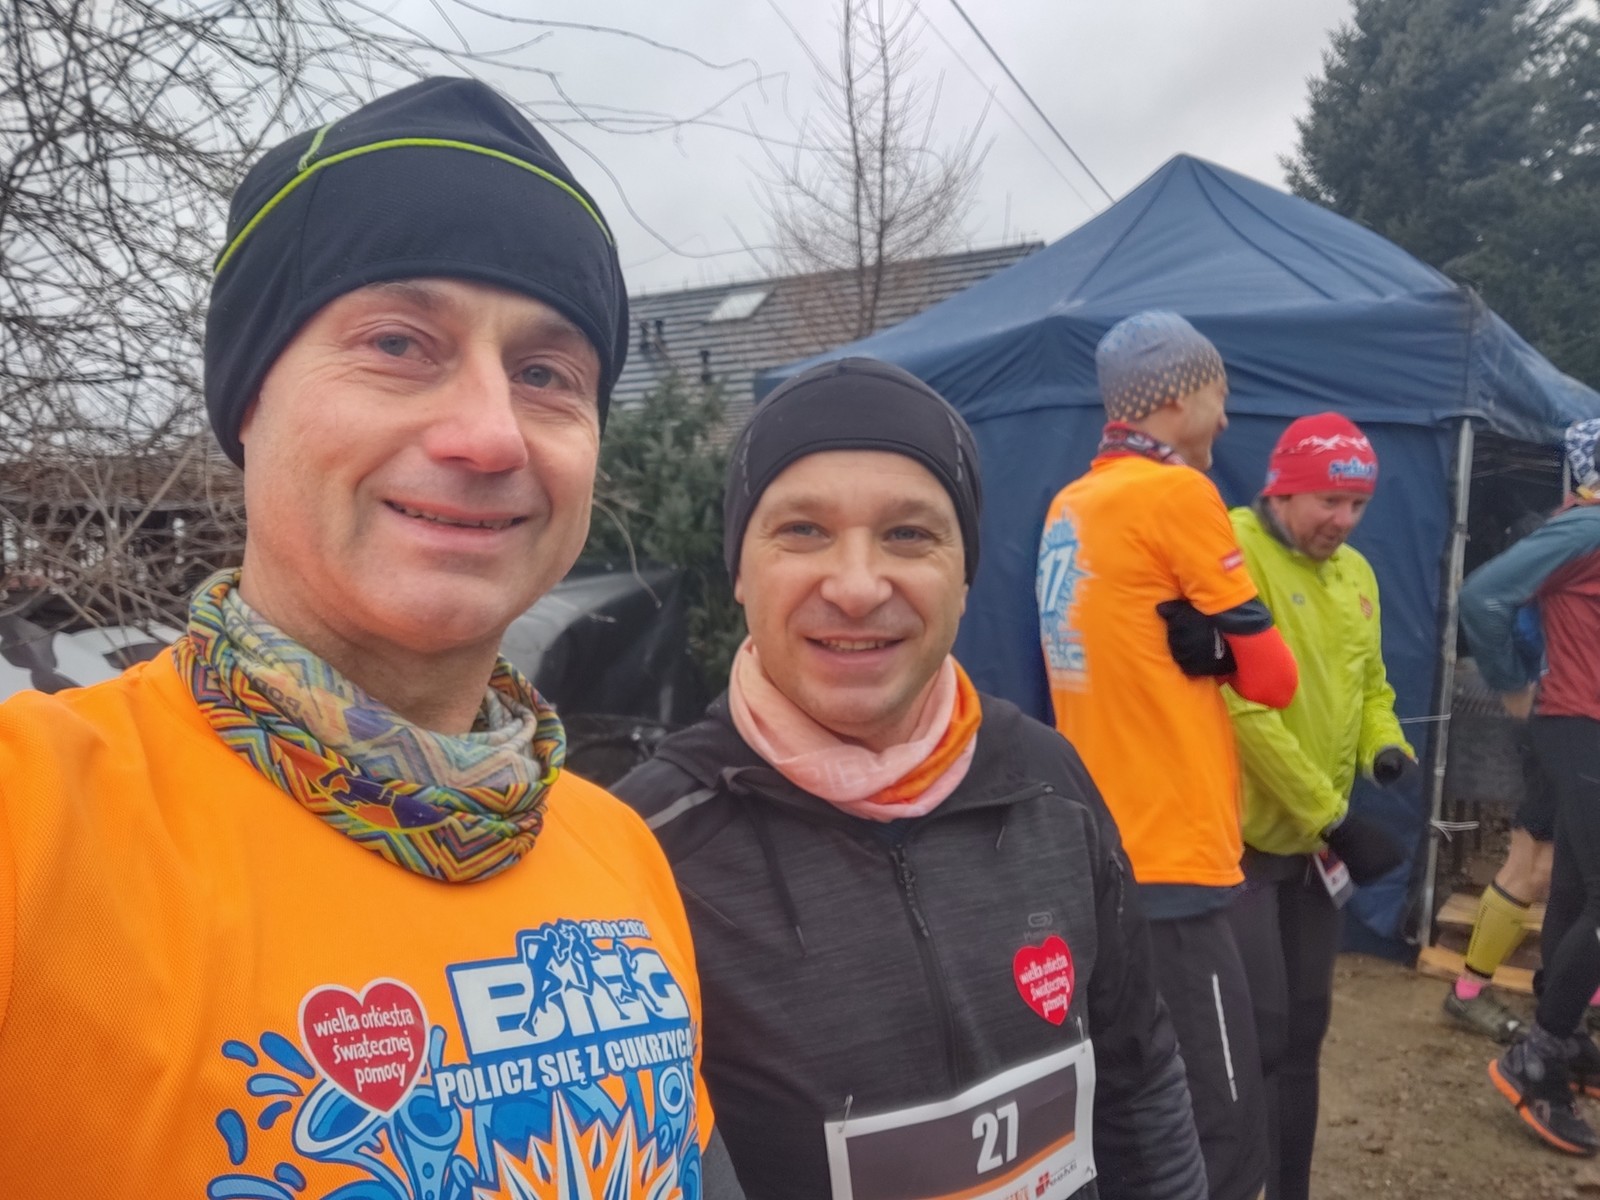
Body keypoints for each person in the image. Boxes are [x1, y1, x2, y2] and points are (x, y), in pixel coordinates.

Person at [0, 78, 740, 1195]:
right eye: (398, 343)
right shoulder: (36, 828)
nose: (491, 434)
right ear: (248, 399)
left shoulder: (617, 851)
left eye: (546, 376)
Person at [616, 358, 1208, 1200]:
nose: (858, 587)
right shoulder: (645, 849)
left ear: (964, 576)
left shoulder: (1050, 783)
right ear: (739, 571)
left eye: (909, 535)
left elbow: (1137, 1077)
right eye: (803, 530)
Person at [1037, 310, 1298, 1200]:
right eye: (1221, 394)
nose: (1228, 417)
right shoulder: (1177, 494)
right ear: (1180, 397)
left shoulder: (1070, 505)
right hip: (1174, 853)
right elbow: (1275, 680)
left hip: (1099, 850)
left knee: (1130, 1107)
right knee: (1220, 1125)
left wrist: (1202, 647)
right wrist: (1224, 650)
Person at [1219, 413, 1413, 1200]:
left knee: (1306, 1029)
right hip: (1242, 846)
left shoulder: (1357, 574)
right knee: (1258, 1033)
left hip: (1315, 851)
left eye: (1358, 505)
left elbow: (1372, 688)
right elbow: (1240, 709)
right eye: (1329, 501)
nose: (1344, 520)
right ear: (1282, 488)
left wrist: (1384, 748)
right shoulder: (1236, 553)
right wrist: (1331, 815)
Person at [1462, 416, 1600, 1156]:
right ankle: (1537, 1055)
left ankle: (1566, 1035)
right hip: (1579, 723)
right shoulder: (1588, 525)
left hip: (1584, 724)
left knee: (1576, 886)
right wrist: (1513, 683)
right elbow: (1484, 595)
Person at [1444, 513, 1558, 1044]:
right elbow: (1487, 608)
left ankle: (1575, 991)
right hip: (1561, 731)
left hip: (1561, 729)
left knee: (1556, 868)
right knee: (1534, 865)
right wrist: (1520, 688)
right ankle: (1469, 991)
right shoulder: (1548, 574)